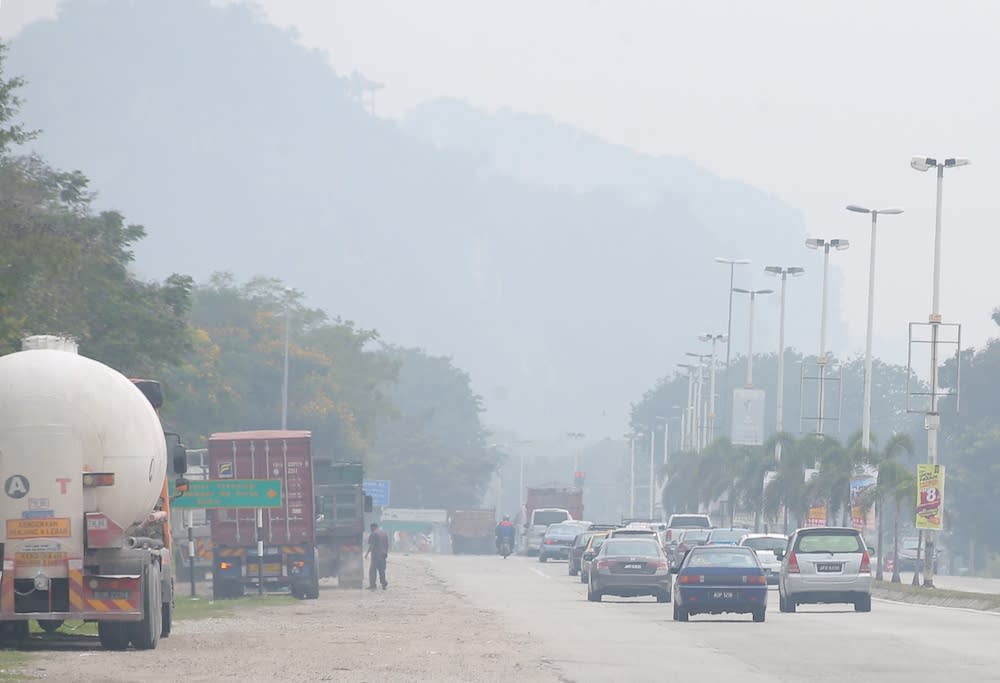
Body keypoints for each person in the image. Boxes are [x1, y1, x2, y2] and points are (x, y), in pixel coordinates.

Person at [365, 522, 390, 590]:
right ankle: (384, 584)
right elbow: (387, 544)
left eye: (371, 528)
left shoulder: (373, 534)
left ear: (373, 527)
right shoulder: (384, 533)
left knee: (372, 570)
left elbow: (371, 546)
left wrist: (367, 553)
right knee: (382, 570)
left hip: (376, 555)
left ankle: (373, 585)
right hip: (383, 555)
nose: (370, 529)